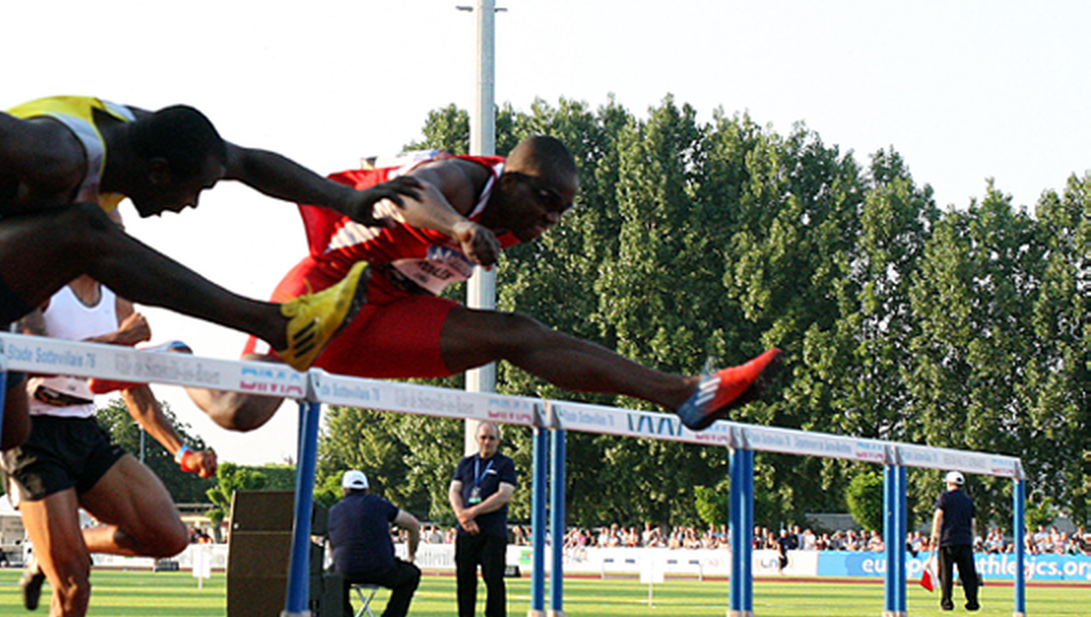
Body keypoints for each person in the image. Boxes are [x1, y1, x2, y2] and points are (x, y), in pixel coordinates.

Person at [0, 94, 420, 514]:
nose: (190, 205)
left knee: (3, 429)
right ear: (156, 173)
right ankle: (272, 323)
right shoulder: (59, 152)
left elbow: (246, 162)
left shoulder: (150, 134)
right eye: (192, 193)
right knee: (88, 232)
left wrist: (348, 201)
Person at [187, 140, 781, 433]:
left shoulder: (521, 215)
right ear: (511, 181)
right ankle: (175, 360)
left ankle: (684, 394)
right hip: (328, 290)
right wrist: (459, 224)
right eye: (544, 203)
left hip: (393, 311)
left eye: (561, 213)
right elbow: (409, 195)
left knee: (516, 334)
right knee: (240, 414)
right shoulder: (466, 180)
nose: (548, 220)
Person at [3, 274, 218, 617]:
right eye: (109, 223)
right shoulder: (38, 280)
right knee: (74, 585)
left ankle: (58, 547)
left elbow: (132, 384)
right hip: (31, 434)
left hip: (83, 428)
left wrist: (180, 450)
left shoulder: (119, 294)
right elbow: (41, 355)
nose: (116, 236)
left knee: (170, 536)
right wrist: (122, 340)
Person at [325, 469, 422, 617]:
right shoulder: (379, 504)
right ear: (367, 489)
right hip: (381, 569)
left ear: (344, 490)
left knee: (332, 579)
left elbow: (332, 544)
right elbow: (413, 524)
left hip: (346, 571)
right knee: (411, 574)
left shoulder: (334, 511)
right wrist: (411, 555)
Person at [448, 421, 516, 617]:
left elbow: (504, 494)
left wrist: (472, 512)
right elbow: (454, 491)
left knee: (493, 579)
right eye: (483, 437)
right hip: (466, 531)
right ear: (477, 439)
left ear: (498, 441)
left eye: (491, 438)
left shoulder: (505, 464)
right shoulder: (466, 463)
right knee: (464, 579)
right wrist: (462, 516)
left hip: (492, 531)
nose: (487, 442)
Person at [929, 470, 980, 612]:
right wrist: (972, 538)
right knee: (968, 574)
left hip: (948, 539)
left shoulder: (945, 497)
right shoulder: (968, 500)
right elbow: (973, 522)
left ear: (949, 483)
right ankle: (972, 602)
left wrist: (934, 536)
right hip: (965, 540)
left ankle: (947, 602)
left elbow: (938, 516)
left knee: (946, 573)